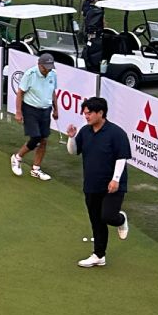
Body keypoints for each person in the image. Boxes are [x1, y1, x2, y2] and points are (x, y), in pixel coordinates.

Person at [66, 97, 132, 268]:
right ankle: (99, 255)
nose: (86, 116)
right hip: (91, 184)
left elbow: (121, 156)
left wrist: (115, 179)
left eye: (89, 113)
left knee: (108, 216)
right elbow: (74, 152)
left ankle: (120, 219)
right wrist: (72, 138)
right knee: (96, 220)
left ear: (100, 113)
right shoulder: (85, 131)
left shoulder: (116, 133)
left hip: (112, 185)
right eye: (85, 113)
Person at [11, 53, 59, 180]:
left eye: (49, 67)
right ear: (39, 64)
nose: (47, 70)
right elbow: (20, 93)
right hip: (30, 109)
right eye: (45, 67)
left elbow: (53, 92)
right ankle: (17, 157)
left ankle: (36, 169)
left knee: (43, 140)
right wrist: (18, 112)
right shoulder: (30, 74)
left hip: (46, 110)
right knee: (36, 137)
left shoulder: (52, 74)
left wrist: (56, 109)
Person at [81, 0, 105, 72]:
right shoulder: (89, 6)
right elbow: (85, 13)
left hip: (96, 32)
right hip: (91, 32)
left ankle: (93, 64)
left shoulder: (99, 6)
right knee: (91, 49)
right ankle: (91, 65)